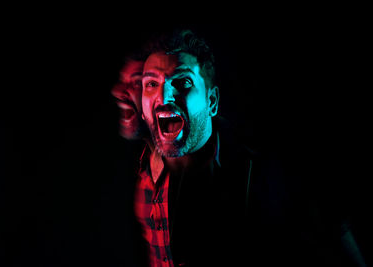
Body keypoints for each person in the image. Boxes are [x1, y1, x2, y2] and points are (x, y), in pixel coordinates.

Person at [132, 29, 367, 267]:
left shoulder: (270, 174)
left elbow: (336, 237)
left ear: (211, 102)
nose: (164, 96)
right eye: (151, 84)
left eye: (183, 82)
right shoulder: (140, 174)